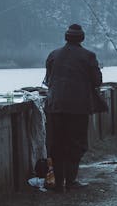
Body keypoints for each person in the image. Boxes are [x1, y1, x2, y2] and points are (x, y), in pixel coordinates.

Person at [43, 24, 102, 190]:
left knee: (56, 144)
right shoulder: (89, 56)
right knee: (75, 143)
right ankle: (70, 181)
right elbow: (97, 81)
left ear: (66, 37)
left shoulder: (53, 55)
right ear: (82, 38)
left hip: (54, 106)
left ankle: (58, 182)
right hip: (78, 108)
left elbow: (48, 80)